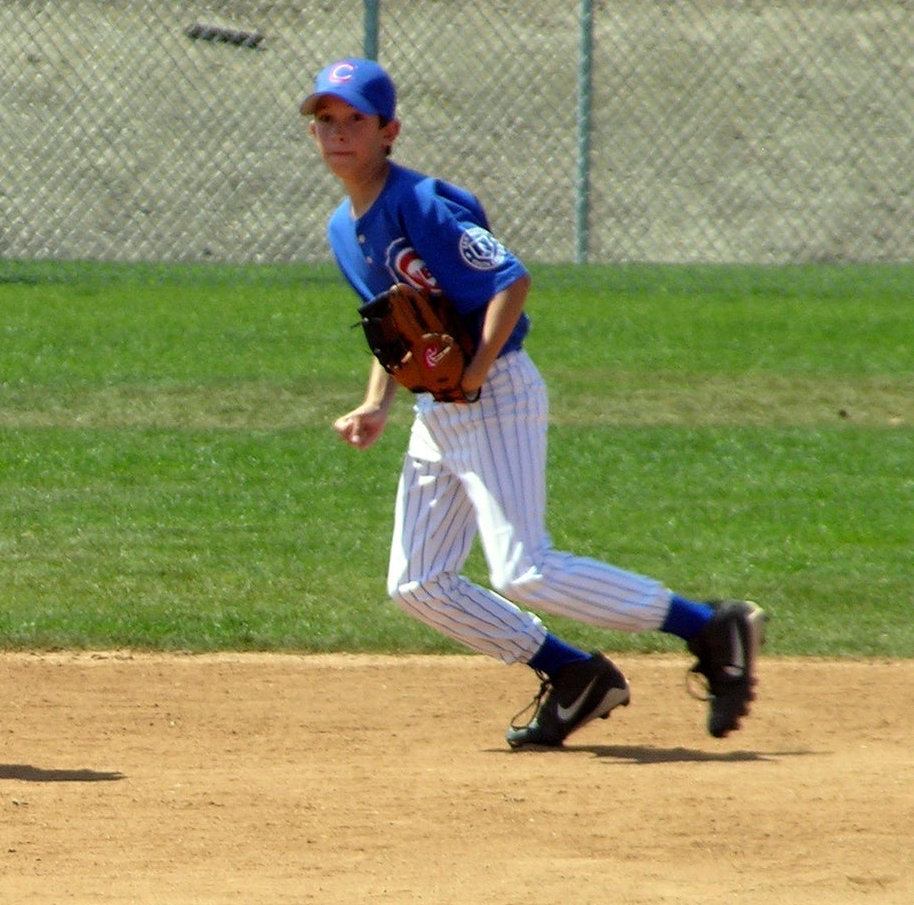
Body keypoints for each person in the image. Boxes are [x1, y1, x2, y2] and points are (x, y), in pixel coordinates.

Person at [303, 57, 764, 748]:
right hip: (439, 411)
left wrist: (475, 371)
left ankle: (710, 626)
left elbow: (509, 281)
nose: (338, 132)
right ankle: (574, 674)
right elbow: (401, 330)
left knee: (525, 569)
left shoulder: (421, 202)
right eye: (325, 120)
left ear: (388, 131)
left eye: (354, 119)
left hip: (494, 392)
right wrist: (376, 404)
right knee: (418, 584)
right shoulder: (344, 227)